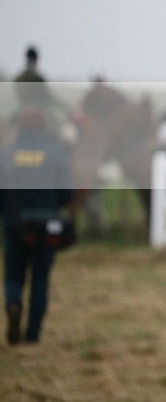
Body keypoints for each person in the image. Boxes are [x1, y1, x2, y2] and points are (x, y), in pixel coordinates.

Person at [1, 107, 73, 344]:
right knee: (40, 280)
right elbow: (66, 194)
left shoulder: (8, 155)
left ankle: (13, 303)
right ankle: (32, 334)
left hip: (15, 225)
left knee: (13, 276)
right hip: (45, 227)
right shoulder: (55, 154)